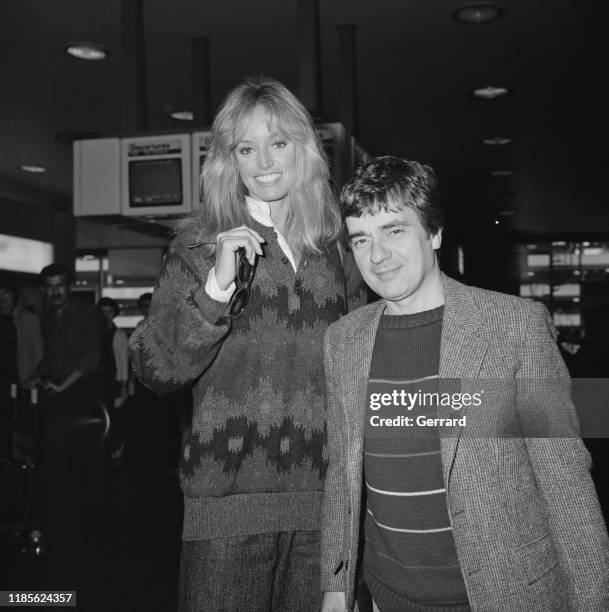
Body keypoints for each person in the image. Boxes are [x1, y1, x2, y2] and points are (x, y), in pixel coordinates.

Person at [320, 156, 609, 612]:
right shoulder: (343, 341)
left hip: (502, 597)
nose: (376, 256)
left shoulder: (514, 327)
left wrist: (593, 601)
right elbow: (343, 477)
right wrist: (335, 587)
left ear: (434, 233)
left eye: (394, 230)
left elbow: (564, 480)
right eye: (361, 239)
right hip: (387, 599)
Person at [129, 75, 363, 611]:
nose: (264, 162)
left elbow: (359, 368)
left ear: (302, 148)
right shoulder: (198, 244)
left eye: (278, 143)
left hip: (324, 510)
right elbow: (154, 369)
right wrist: (215, 288)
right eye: (246, 148)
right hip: (224, 516)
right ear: (227, 160)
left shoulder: (335, 248)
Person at [28, 262, 105, 584]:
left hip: (83, 393)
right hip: (59, 394)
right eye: (50, 287)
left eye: (60, 285)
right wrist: (36, 375)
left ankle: (88, 528)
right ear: (44, 289)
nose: (55, 291)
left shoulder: (86, 313)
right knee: (57, 461)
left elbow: (90, 357)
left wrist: (62, 386)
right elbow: (52, 356)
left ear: (69, 285)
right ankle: (64, 521)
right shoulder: (48, 316)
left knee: (81, 462)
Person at [0, 282, 43, 456]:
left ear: (14, 295)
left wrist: (36, 376)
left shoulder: (28, 318)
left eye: (5, 292)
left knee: (21, 419)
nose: (2, 297)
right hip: (2, 375)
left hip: (22, 376)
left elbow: (38, 350)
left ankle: (21, 459)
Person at [97, 296, 129, 463]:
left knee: (115, 417)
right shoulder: (95, 333)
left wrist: (124, 387)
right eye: (102, 312)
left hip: (114, 382)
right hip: (99, 381)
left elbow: (124, 363)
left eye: (109, 312)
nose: (106, 315)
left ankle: (117, 449)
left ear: (114, 313)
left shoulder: (119, 335)